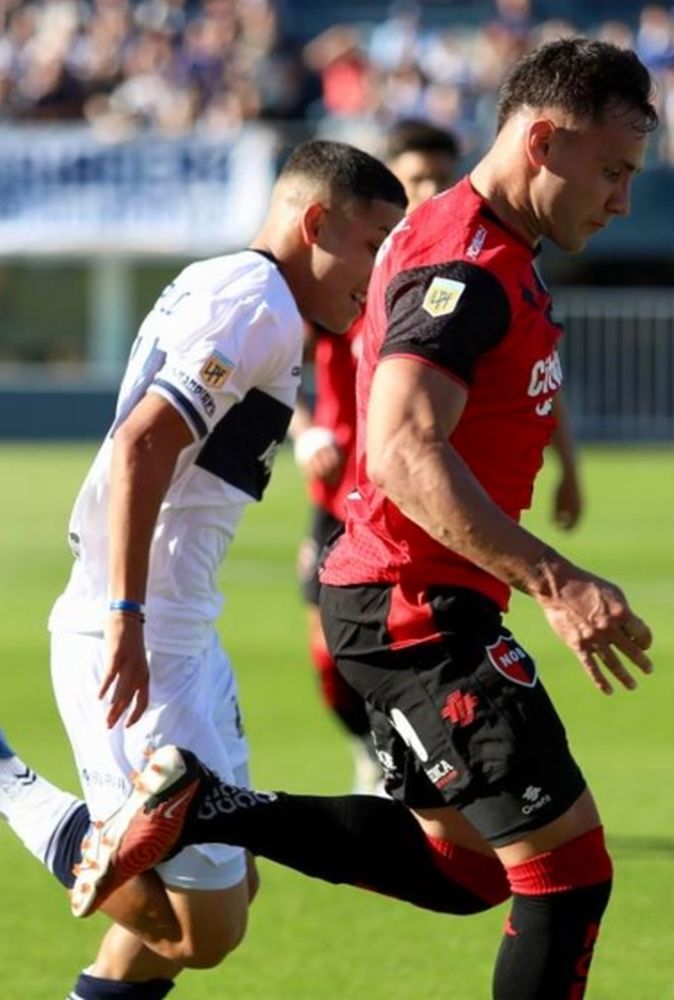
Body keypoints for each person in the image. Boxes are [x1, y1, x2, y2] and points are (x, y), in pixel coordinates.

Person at [56, 38, 657, 1000]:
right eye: (614, 170)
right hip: (415, 606)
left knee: (463, 872)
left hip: (409, 598)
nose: (623, 198)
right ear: (543, 140)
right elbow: (405, 451)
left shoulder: (493, 249)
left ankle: (208, 805)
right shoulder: (457, 265)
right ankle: (181, 804)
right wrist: (560, 579)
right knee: (566, 877)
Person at [0, 141, 407, 1000]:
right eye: (374, 242)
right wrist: (126, 612)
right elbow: (142, 440)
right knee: (204, 928)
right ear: (316, 222)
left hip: (181, 628)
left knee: (229, 888)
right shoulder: (256, 300)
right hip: (140, 635)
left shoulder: (235, 288)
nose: (376, 273)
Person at [288, 119, 586, 796]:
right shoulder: (367, 273)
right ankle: (377, 750)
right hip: (347, 506)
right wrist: (307, 432)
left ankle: (395, 761)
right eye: (412, 179)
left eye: (435, 178)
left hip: (431, 523)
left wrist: (570, 465)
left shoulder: (474, 271)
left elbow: (540, 374)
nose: (425, 191)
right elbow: (281, 371)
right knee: (329, 660)